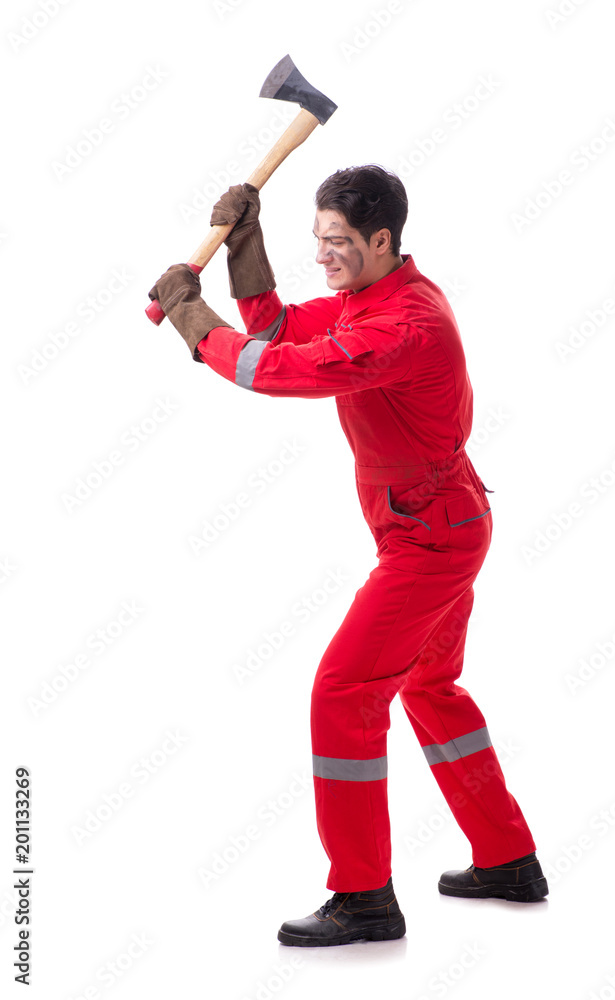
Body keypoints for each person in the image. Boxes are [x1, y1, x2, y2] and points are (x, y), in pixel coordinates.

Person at [148, 164, 548, 948]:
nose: (323, 254)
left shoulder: (403, 325)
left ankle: (364, 897)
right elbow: (277, 329)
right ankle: (507, 859)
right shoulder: (373, 298)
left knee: (343, 691)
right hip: (438, 521)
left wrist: (191, 318)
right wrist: (246, 245)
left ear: (382, 239)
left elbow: (275, 371)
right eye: (316, 238)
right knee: (429, 685)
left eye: (337, 241)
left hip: (430, 538)